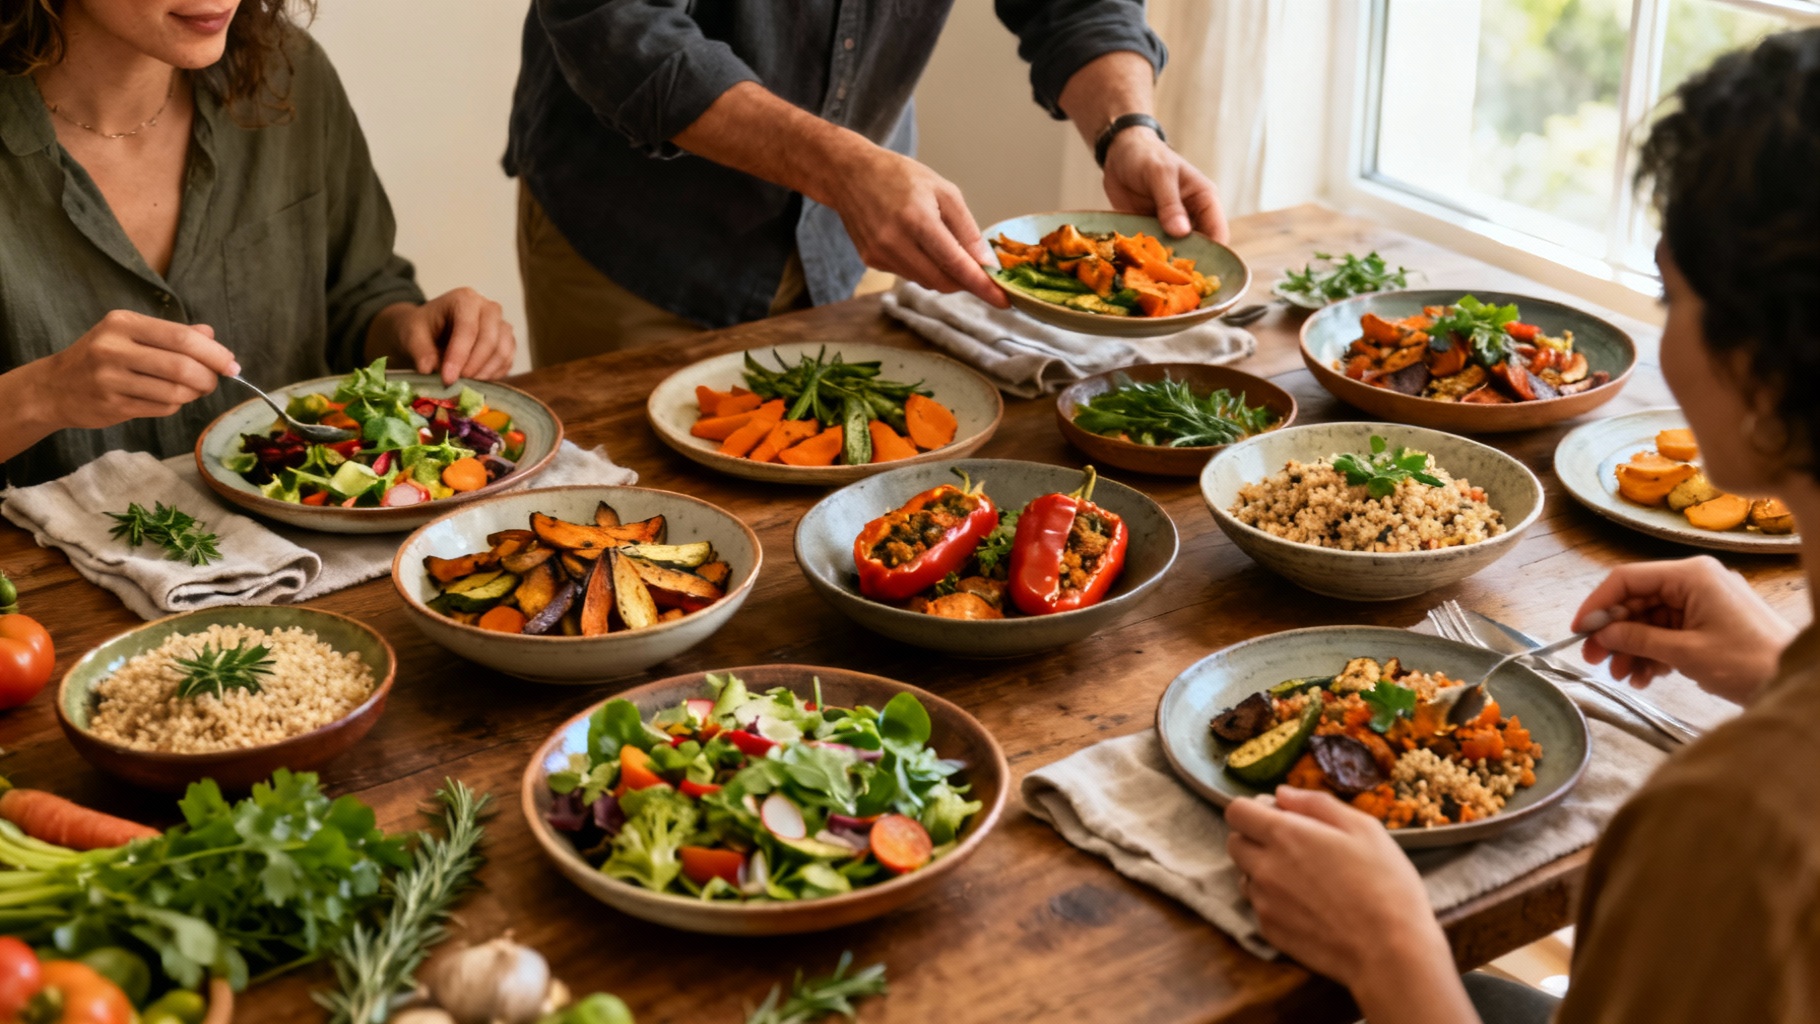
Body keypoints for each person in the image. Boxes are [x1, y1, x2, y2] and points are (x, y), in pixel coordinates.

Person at [1222, 27, 1820, 1024]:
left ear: (1759, 371)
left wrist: (1392, 956)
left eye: (1668, 295)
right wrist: (1779, 672)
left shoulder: (1730, 826)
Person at [504, 0, 1224, 366]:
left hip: (857, 237)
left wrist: (1125, 128)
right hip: (639, 245)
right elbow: (618, 25)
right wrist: (843, 170)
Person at [0, 0, 517, 487]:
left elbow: (353, 298)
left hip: (311, 562)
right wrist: (44, 395)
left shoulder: (287, 72)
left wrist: (409, 331)